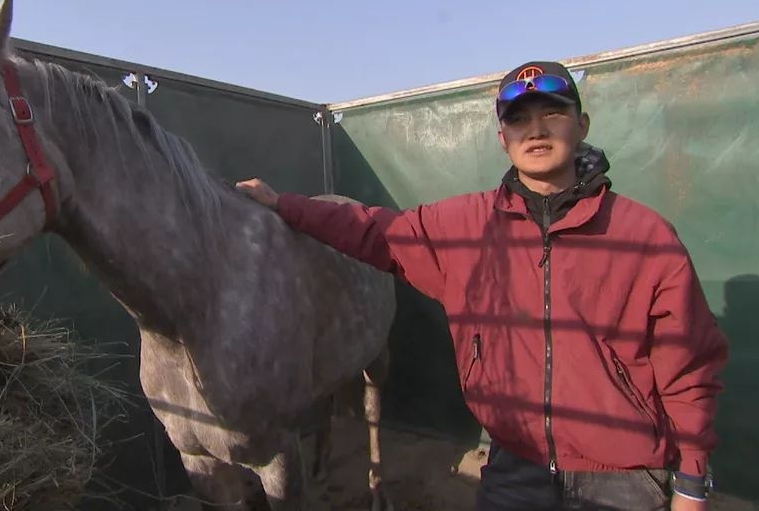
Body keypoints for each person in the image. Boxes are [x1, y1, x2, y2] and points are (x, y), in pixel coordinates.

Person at [236, 61, 729, 510]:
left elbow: (688, 367)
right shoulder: (465, 228)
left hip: (622, 476)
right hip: (515, 465)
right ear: (502, 138)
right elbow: (372, 230)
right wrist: (284, 205)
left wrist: (691, 484)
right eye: (519, 119)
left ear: (581, 125)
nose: (536, 129)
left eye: (552, 113)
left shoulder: (645, 236)